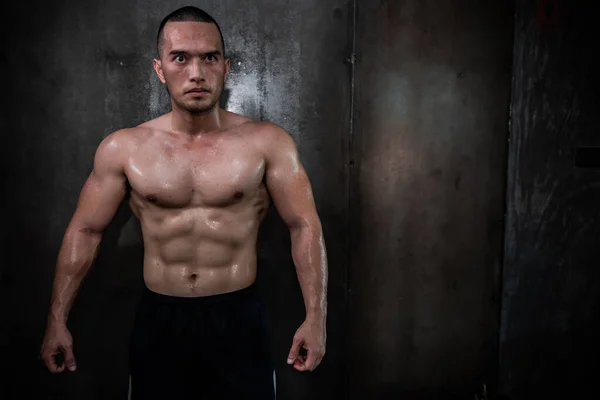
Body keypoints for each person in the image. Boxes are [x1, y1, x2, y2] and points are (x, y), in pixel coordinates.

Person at [40, 5, 328, 399]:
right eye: (180, 58)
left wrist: (317, 318)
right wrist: (56, 320)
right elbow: (86, 231)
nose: (196, 72)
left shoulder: (267, 143)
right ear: (160, 69)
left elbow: (304, 224)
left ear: (225, 66)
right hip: (160, 319)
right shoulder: (125, 148)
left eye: (209, 57)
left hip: (238, 318)